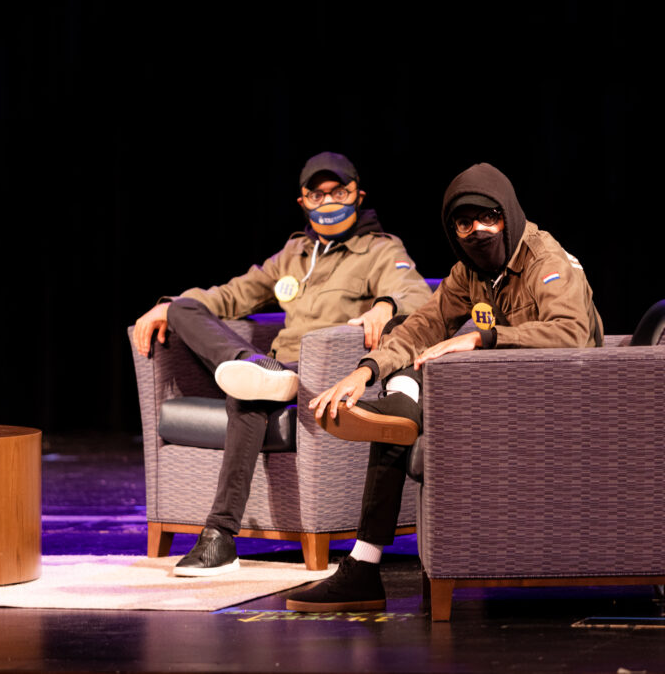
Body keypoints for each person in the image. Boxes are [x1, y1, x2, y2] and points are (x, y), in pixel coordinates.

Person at [286, 162, 603, 611]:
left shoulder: (545, 262)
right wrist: (364, 371)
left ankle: (365, 561)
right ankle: (363, 563)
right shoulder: (468, 273)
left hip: (564, 398)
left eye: (489, 217)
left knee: (432, 372)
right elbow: (420, 327)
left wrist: (481, 336)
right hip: (504, 390)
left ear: (508, 214)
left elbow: (571, 333)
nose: (478, 230)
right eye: (465, 222)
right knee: (409, 379)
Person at [132, 152, 432, 576]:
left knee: (246, 395)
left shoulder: (380, 250)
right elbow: (233, 295)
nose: (329, 201)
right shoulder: (294, 252)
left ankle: (219, 536)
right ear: (303, 202)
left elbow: (417, 296)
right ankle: (249, 363)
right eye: (318, 193)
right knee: (187, 310)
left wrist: (384, 306)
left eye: (339, 192)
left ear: (358, 195)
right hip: (277, 370)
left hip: (325, 373)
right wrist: (168, 308)